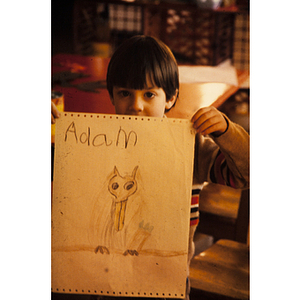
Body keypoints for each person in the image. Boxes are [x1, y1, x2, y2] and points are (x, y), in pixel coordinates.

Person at [52, 35, 249, 300]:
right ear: (111, 96)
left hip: (167, 284)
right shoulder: (92, 142)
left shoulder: (189, 147)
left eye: (149, 94)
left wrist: (227, 131)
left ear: (170, 98)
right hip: (102, 281)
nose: (136, 106)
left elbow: (245, 175)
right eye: (125, 93)